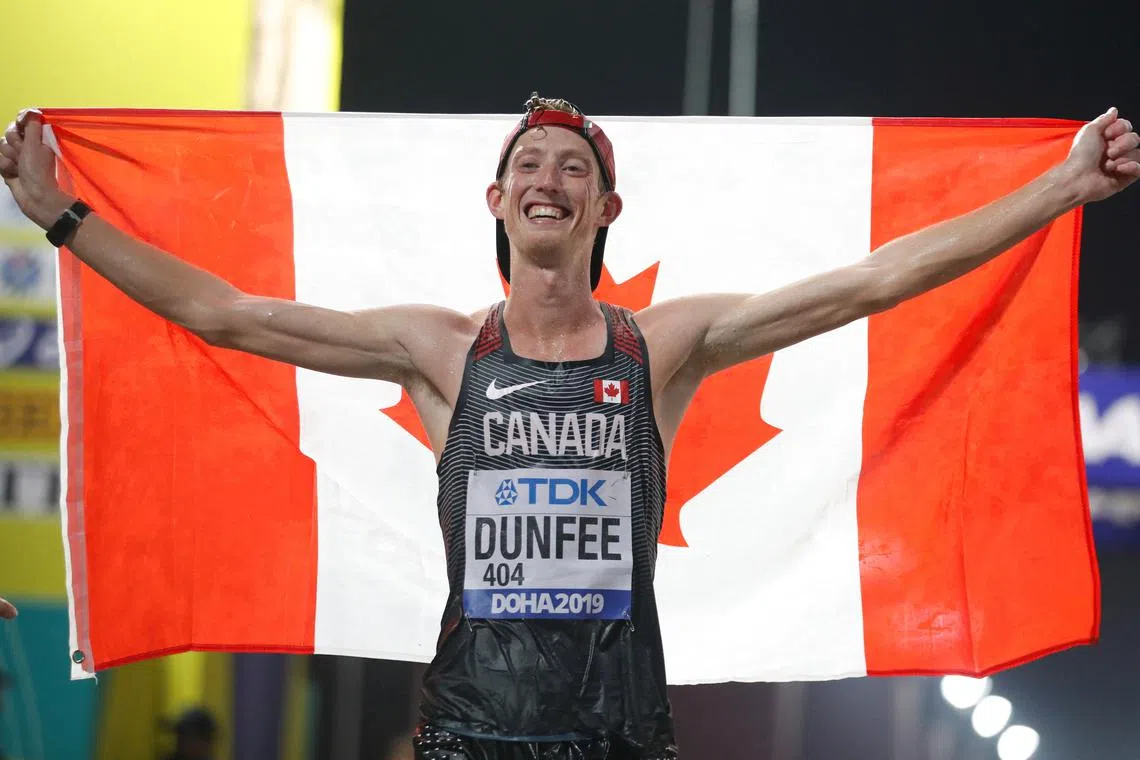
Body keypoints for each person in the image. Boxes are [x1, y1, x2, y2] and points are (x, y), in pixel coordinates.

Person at [1, 95, 1137, 759]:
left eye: (575, 167)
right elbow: (228, 314)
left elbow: (876, 281)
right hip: (466, 736)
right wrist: (64, 217)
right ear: (498, 203)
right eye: (528, 165)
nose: (550, 176)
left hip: (623, 735)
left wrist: (1056, 190)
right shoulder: (443, 349)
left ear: (606, 208)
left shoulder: (664, 347)